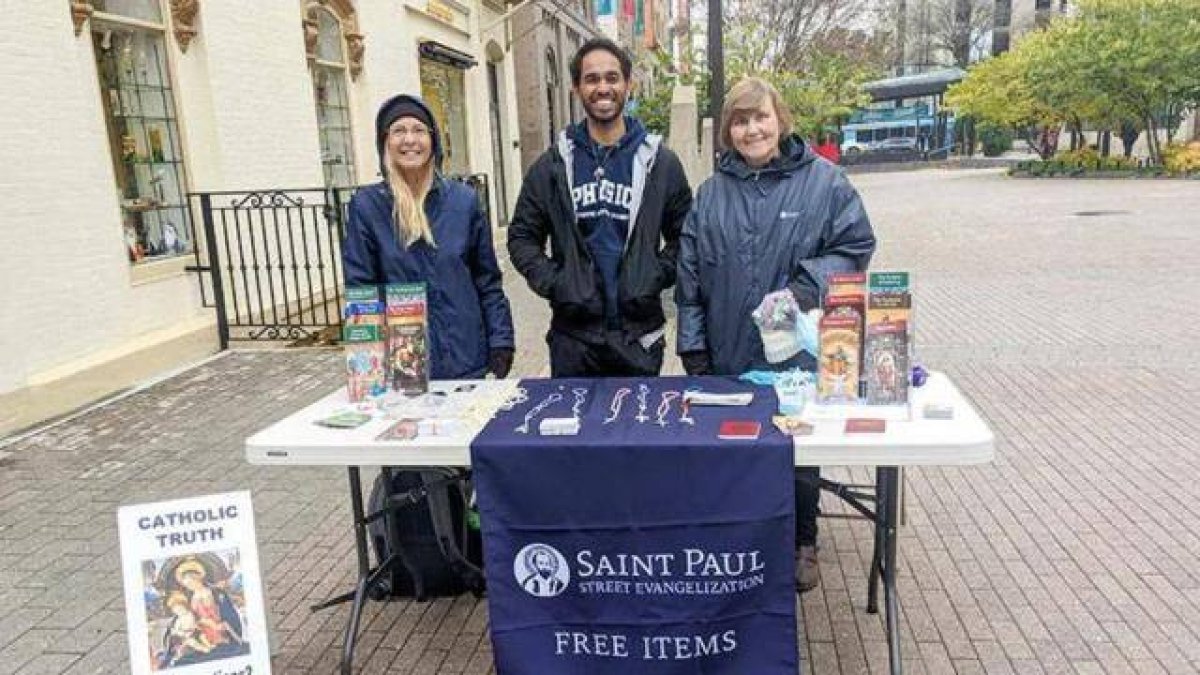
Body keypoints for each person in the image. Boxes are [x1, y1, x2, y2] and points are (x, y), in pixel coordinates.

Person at [675, 77, 876, 592]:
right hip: (727, 348)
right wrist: (693, 345)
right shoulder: (712, 193)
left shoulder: (825, 183)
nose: (751, 129)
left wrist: (802, 289)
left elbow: (855, 246)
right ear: (728, 131)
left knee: (795, 449)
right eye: (739, 121)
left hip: (797, 352)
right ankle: (744, 534)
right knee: (735, 448)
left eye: (759, 117)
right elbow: (690, 277)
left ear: (780, 119)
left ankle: (801, 540)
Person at [508, 38, 692, 377]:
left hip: (639, 336)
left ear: (628, 84)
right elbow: (521, 237)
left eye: (612, 78)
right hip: (573, 338)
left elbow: (687, 236)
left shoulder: (661, 164)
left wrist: (654, 274)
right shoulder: (553, 165)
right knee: (575, 428)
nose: (603, 87)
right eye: (592, 79)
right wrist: (557, 283)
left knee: (638, 427)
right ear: (577, 88)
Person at [343, 94, 515, 380]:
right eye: (398, 130)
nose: (409, 139)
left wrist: (501, 339)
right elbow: (361, 290)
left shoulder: (463, 201)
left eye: (419, 130)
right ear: (385, 142)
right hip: (404, 364)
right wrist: (364, 365)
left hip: (464, 355)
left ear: (433, 140)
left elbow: (487, 280)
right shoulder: (367, 206)